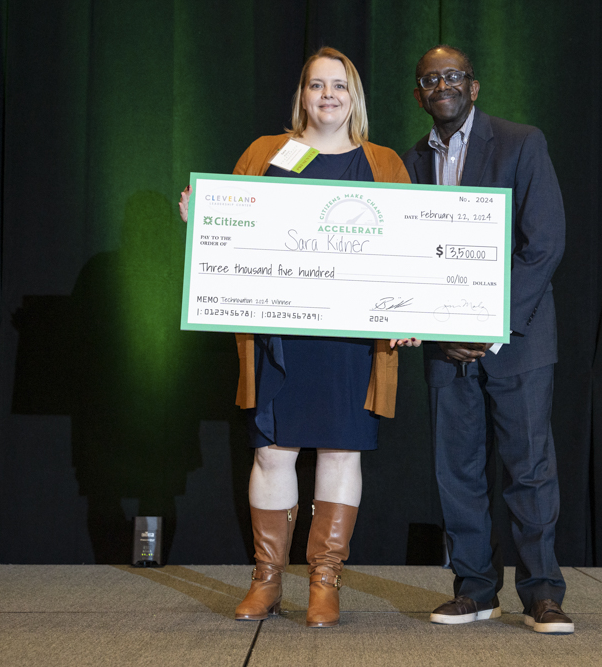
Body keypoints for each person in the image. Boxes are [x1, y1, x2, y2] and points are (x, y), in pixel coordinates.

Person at [179, 47, 417, 628]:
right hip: (279, 335)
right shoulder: (267, 154)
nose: (328, 96)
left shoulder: (382, 162)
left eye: (339, 85)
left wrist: (411, 312)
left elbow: (410, 253)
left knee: (340, 451)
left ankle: (324, 583)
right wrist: (202, 225)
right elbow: (232, 235)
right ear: (302, 95)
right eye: (317, 86)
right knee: (273, 451)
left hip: (351, 339)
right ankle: (266, 581)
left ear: (354, 96)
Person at [401, 45, 573, 634]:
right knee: (458, 473)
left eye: (452, 76)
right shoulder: (410, 161)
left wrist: (489, 323)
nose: (441, 84)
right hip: (445, 350)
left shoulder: (522, 142)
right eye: (430, 79)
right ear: (419, 95)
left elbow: (544, 242)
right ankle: (475, 590)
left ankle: (543, 593)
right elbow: (409, 255)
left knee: (529, 471)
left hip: (515, 342)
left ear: (473, 87)